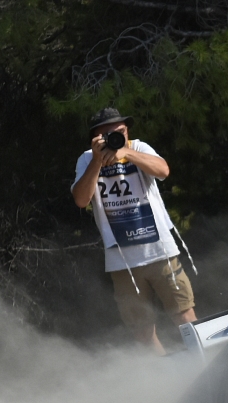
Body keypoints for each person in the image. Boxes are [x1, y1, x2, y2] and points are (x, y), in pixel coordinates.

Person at [71, 107, 196, 352]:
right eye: (108, 135)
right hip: (122, 261)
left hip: (159, 251)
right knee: (142, 331)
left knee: (185, 317)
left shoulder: (138, 147)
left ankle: (206, 364)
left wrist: (126, 152)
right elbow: (81, 200)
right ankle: (165, 372)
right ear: (96, 137)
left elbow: (163, 170)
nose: (115, 138)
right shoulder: (86, 159)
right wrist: (97, 161)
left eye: (120, 131)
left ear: (127, 130)